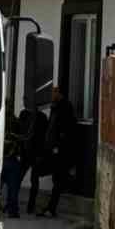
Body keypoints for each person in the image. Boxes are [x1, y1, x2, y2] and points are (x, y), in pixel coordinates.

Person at [41, 87, 78, 217]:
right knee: (56, 178)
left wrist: (57, 146)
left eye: (54, 92)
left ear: (59, 93)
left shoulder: (64, 108)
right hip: (55, 149)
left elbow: (64, 129)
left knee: (58, 179)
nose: (52, 94)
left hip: (61, 151)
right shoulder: (56, 107)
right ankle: (51, 207)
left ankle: (51, 208)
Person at [24, 102, 50, 215]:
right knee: (19, 178)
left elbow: (44, 136)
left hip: (35, 153)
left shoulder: (41, 118)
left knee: (34, 180)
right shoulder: (25, 115)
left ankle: (31, 205)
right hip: (27, 152)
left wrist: (41, 153)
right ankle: (26, 205)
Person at [0, 112, 27, 217]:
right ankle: (13, 211)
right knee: (13, 189)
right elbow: (22, 141)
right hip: (13, 160)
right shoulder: (16, 124)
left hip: (2, 159)